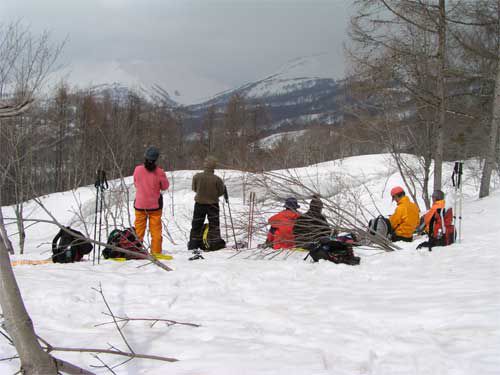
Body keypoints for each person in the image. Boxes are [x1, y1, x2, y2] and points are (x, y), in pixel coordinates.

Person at [133, 146, 169, 255]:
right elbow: (165, 186)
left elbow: (135, 183)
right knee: (156, 231)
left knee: (139, 231)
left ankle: (137, 251)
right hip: (155, 206)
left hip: (140, 205)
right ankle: (156, 252)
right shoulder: (159, 172)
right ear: (156, 159)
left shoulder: (137, 169)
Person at [188, 156, 226, 251]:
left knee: (196, 224)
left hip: (199, 204)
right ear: (214, 167)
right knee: (214, 225)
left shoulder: (197, 176)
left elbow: (194, 188)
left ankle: (193, 244)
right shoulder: (217, 179)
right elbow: (221, 192)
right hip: (213, 205)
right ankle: (214, 243)